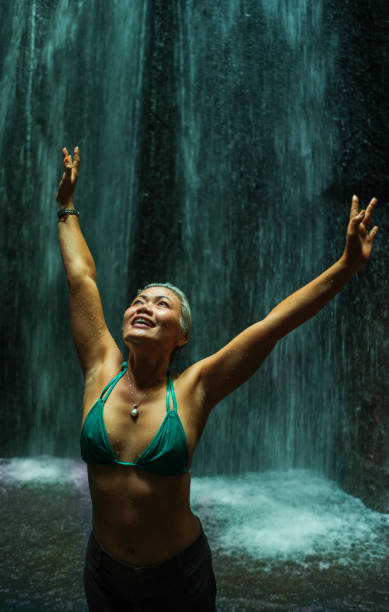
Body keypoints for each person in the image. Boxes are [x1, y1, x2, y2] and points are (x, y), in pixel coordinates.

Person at [56, 146, 379, 611]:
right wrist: (66, 206)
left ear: (181, 335)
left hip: (178, 579)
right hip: (104, 574)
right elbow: (82, 278)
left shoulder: (194, 387)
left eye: (161, 303)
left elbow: (273, 325)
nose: (144, 306)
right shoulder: (99, 367)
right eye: (138, 300)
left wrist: (346, 267)